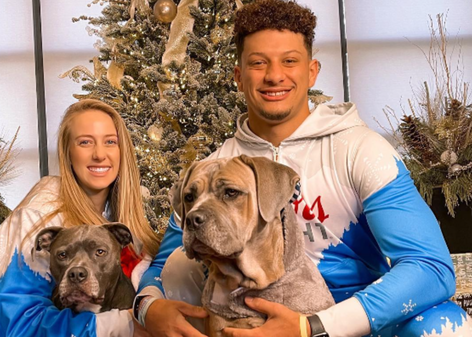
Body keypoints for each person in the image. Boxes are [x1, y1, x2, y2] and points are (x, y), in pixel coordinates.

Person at [134, 1, 472, 337]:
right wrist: (148, 307)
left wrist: (314, 327)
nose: (274, 76)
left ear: (312, 71)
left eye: (289, 61)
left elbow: (430, 268)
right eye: (258, 63)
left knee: (446, 327)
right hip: (244, 321)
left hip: (352, 323)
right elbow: (165, 267)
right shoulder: (217, 169)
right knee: (179, 268)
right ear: (238, 76)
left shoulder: (360, 150)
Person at [0, 99, 159, 337]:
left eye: (110, 142)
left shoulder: (115, 225)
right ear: (67, 152)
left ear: (122, 152)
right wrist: (122, 324)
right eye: (85, 142)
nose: (99, 154)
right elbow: (22, 324)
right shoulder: (38, 215)